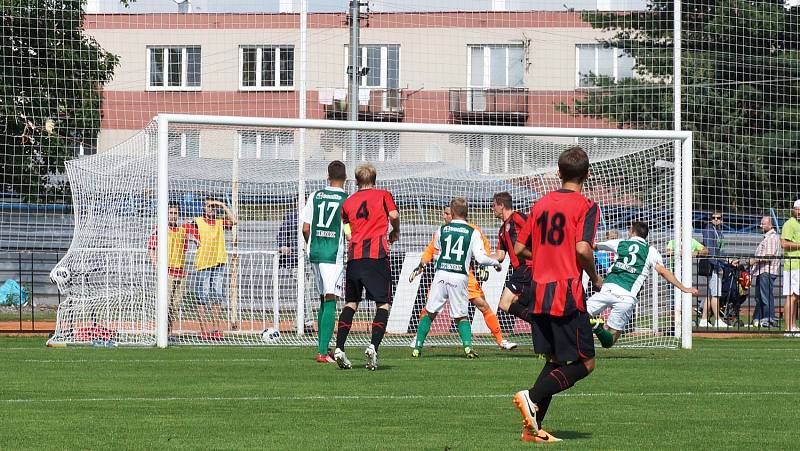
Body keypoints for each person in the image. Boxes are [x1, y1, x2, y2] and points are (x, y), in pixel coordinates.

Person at [510, 146, 601, 443]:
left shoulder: (540, 204)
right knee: (586, 363)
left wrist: (547, 255)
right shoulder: (587, 206)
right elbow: (582, 249)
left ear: (558, 173)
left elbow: (521, 248)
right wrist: (596, 277)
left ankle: (532, 430)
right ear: (587, 175)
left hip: (538, 292)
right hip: (566, 293)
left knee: (554, 361)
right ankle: (531, 395)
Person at [409, 205, 517, 350]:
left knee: (483, 305)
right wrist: (421, 264)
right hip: (447, 275)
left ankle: (500, 340)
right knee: (430, 310)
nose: (444, 216)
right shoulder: (442, 231)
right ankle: (418, 337)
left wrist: (483, 266)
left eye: (447, 213)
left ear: (454, 214)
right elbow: (431, 250)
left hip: (464, 275)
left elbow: (484, 250)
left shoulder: (472, 230)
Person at [587, 222, 699, 348]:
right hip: (626, 298)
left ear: (631, 232)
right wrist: (684, 288)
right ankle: (597, 327)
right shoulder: (651, 250)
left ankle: (585, 331)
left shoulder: (620, 243)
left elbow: (592, 246)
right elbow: (663, 271)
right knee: (609, 342)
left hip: (607, 289)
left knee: (581, 314)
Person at [333, 164, 400, 371]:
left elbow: (343, 222)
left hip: (354, 257)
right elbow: (394, 215)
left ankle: (339, 348)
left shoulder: (349, 201)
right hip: (376, 256)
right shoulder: (382, 194)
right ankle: (373, 346)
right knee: (383, 304)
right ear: (375, 179)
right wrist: (394, 231)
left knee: (351, 303)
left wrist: (350, 235)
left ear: (356, 180)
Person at [301, 160, 348, 363]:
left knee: (322, 298)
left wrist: (312, 243)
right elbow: (348, 228)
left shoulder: (315, 195)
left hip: (315, 252)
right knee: (331, 299)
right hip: (332, 254)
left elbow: (305, 228)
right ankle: (322, 352)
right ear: (345, 178)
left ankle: (323, 347)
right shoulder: (347, 199)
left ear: (327, 176)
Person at [187, 197, 237, 339]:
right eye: (208, 205)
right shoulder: (197, 221)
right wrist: (192, 238)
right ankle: (204, 330)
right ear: (203, 208)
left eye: (213, 206)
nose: (211, 208)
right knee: (202, 297)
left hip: (219, 262)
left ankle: (216, 329)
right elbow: (182, 230)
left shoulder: (220, 222)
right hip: (203, 264)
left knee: (217, 296)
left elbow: (234, 221)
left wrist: (222, 205)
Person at [147, 202, 196, 334]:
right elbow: (151, 247)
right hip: (167, 273)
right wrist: (155, 264)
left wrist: (195, 240)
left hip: (180, 273)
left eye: (175, 213)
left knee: (175, 306)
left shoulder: (182, 230)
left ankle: (168, 332)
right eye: (170, 213)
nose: (173, 216)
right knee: (165, 304)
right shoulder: (161, 229)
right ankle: (161, 332)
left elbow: (188, 241)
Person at [491, 192, 533, 327]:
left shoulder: (517, 217)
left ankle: (539, 323)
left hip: (529, 267)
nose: (493, 209)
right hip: (521, 271)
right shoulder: (502, 230)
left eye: (494, 206)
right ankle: (541, 324)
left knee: (505, 303)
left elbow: (534, 230)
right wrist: (481, 257)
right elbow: (500, 256)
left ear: (501, 206)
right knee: (510, 302)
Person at [749, 216, 781, 328]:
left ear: (770, 225)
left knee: (765, 296)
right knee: (760, 297)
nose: (760, 226)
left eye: (763, 224)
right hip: (762, 271)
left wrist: (754, 260)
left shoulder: (772, 238)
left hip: (766, 271)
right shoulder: (768, 237)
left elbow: (769, 256)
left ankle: (768, 319)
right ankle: (758, 318)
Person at [700, 211, 727, 327]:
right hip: (712, 265)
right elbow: (710, 250)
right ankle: (717, 320)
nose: (716, 219)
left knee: (711, 293)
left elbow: (720, 250)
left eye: (718, 217)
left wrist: (726, 262)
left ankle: (703, 319)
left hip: (718, 263)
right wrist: (717, 265)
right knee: (715, 293)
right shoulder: (709, 230)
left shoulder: (719, 231)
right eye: (713, 217)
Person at [782, 199, 800, 334]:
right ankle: (788, 328)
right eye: (797, 208)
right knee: (791, 296)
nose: (798, 211)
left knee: (796, 297)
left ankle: (793, 326)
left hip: (797, 264)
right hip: (792, 265)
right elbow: (783, 243)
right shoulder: (789, 224)